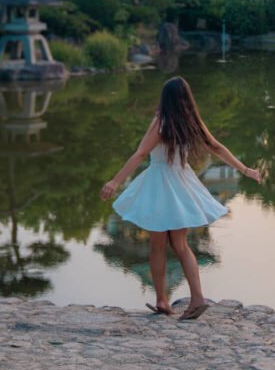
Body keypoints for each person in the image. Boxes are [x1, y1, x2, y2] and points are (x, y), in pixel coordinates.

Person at [100, 76, 261, 321]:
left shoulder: (161, 122)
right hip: (181, 183)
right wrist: (245, 170)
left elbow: (141, 153)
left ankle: (162, 300)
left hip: (159, 185)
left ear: (165, 98)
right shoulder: (191, 122)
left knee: (157, 245)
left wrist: (115, 180)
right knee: (181, 245)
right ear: (187, 99)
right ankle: (197, 298)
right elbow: (217, 147)